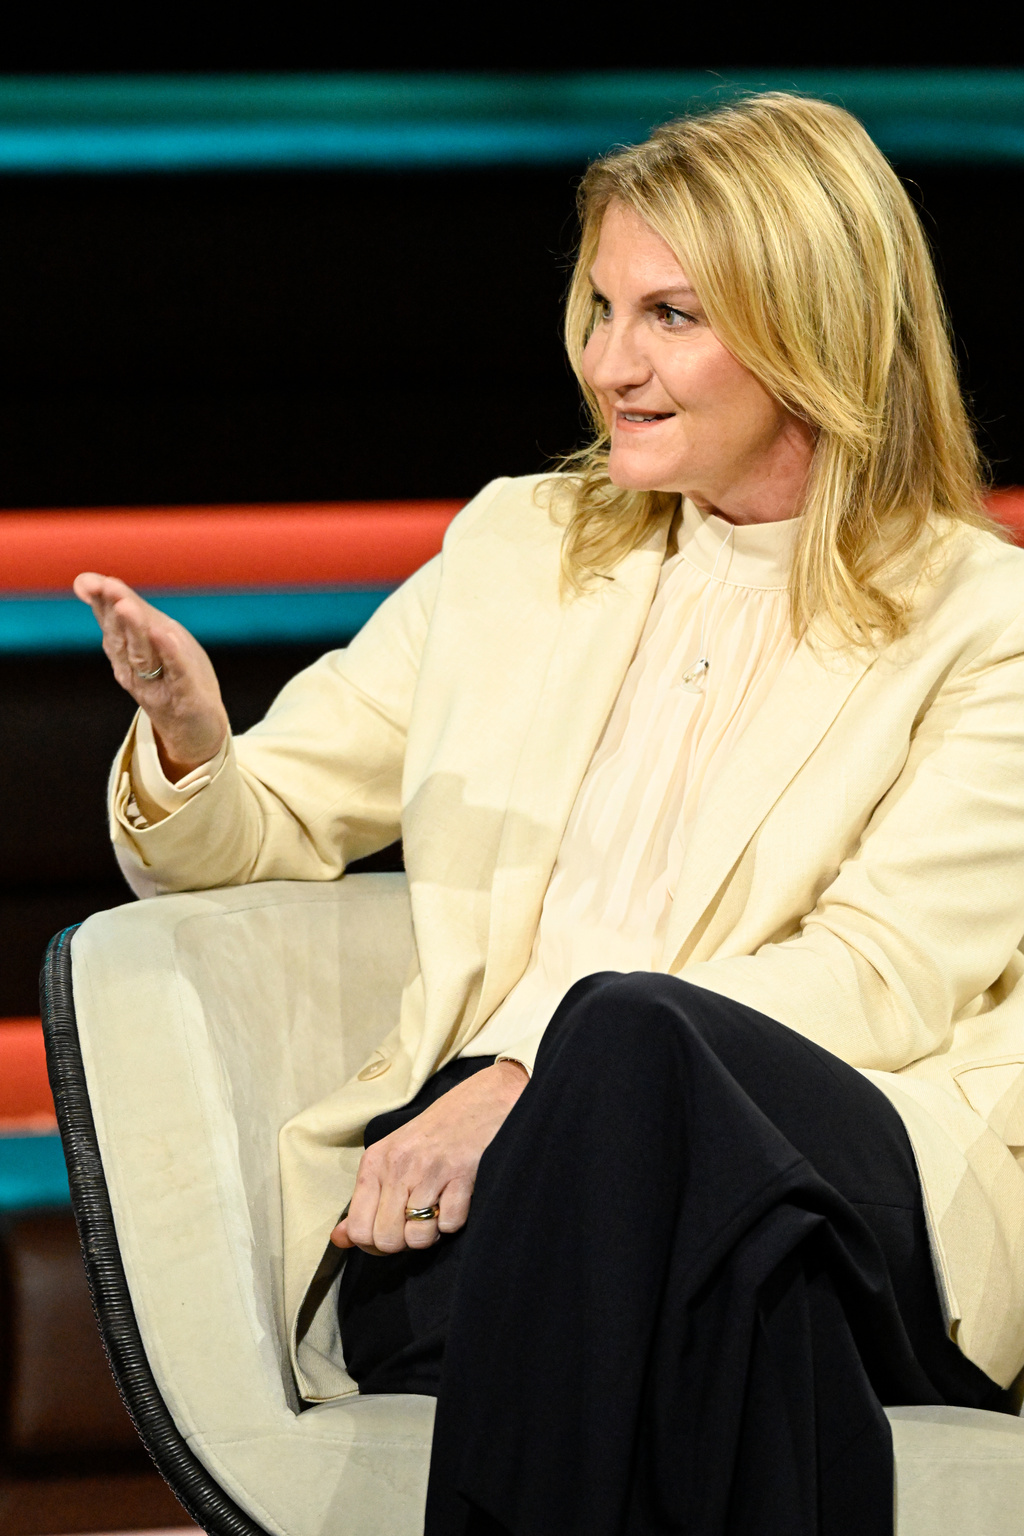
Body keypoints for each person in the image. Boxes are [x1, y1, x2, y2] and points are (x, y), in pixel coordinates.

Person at [76, 93, 1024, 1536]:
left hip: (841, 1166)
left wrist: (532, 1075)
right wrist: (193, 741)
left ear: (812, 331)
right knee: (733, 1312)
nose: (610, 364)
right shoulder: (518, 549)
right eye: (600, 309)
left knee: (634, 1045)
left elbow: (882, 977)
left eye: (670, 316)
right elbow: (257, 827)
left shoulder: (987, 621)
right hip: (508, 1197)